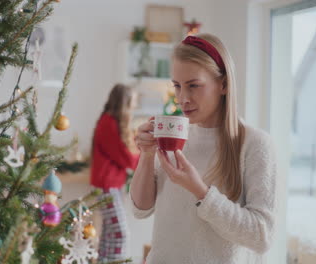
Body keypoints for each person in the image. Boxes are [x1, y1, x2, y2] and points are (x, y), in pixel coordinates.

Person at [130, 34, 277, 263]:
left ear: (224, 84)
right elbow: (141, 209)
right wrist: (147, 155)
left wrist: (200, 191)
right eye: (177, 86)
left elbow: (261, 237)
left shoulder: (255, 144)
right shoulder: (175, 134)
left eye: (193, 86)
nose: (182, 98)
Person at [91, 83, 139, 262]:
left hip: (110, 186)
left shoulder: (109, 122)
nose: (134, 107)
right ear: (124, 103)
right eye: (132, 103)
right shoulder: (109, 124)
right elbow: (125, 157)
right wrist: (145, 156)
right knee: (120, 234)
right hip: (106, 186)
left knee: (108, 236)